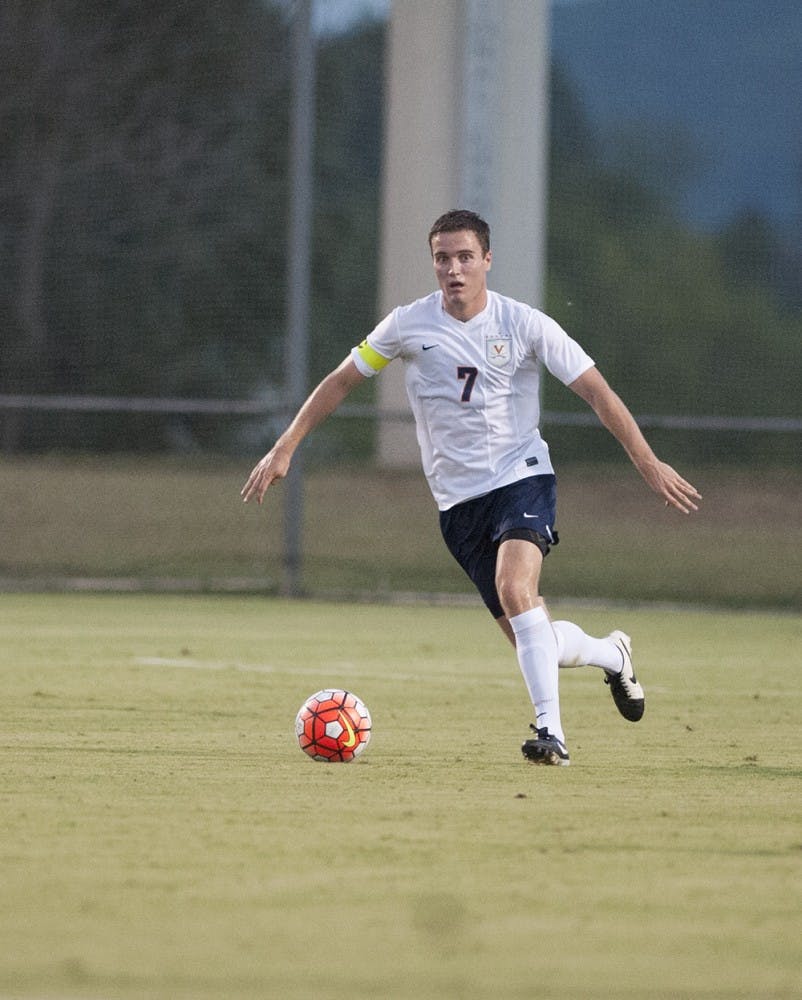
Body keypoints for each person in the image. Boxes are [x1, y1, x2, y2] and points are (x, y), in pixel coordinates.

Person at [242, 209, 701, 766]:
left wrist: (647, 462)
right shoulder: (407, 325)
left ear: (487, 260)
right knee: (536, 638)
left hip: (522, 475)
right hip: (457, 504)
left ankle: (550, 734)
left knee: (515, 587)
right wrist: (286, 445)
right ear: (433, 263)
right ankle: (612, 653)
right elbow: (341, 380)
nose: (454, 269)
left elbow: (597, 392)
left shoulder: (526, 324)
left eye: (465, 257)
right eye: (443, 258)